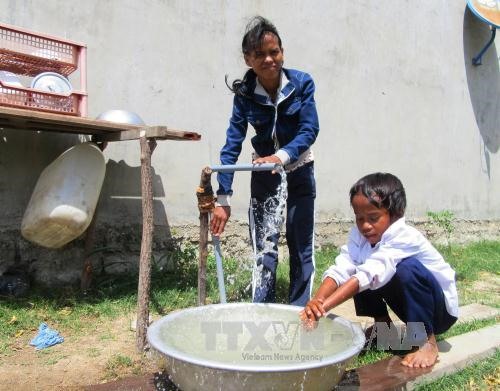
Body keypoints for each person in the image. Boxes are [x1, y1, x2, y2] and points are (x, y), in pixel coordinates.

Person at [210, 16, 319, 306]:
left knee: (300, 245)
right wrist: (223, 196)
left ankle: (300, 312)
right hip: (264, 175)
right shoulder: (244, 95)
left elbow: (309, 130)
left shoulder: (302, 84)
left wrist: (281, 156)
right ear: (248, 59)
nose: (269, 59)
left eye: (275, 52)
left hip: (299, 171)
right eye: (260, 54)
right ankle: (264, 309)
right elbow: (232, 143)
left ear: (282, 51)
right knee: (265, 248)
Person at [299, 173, 458, 368]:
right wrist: (317, 301)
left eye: (373, 218)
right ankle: (385, 332)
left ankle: (425, 340)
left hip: (439, 312)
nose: (365, 226)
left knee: (404, 269)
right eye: (359, 218)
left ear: (395, 214)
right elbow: (343, 266)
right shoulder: (360, 235)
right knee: (361, 267)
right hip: (407, 305)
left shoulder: (404, 236)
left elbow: (369, 274)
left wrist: (323, 309)